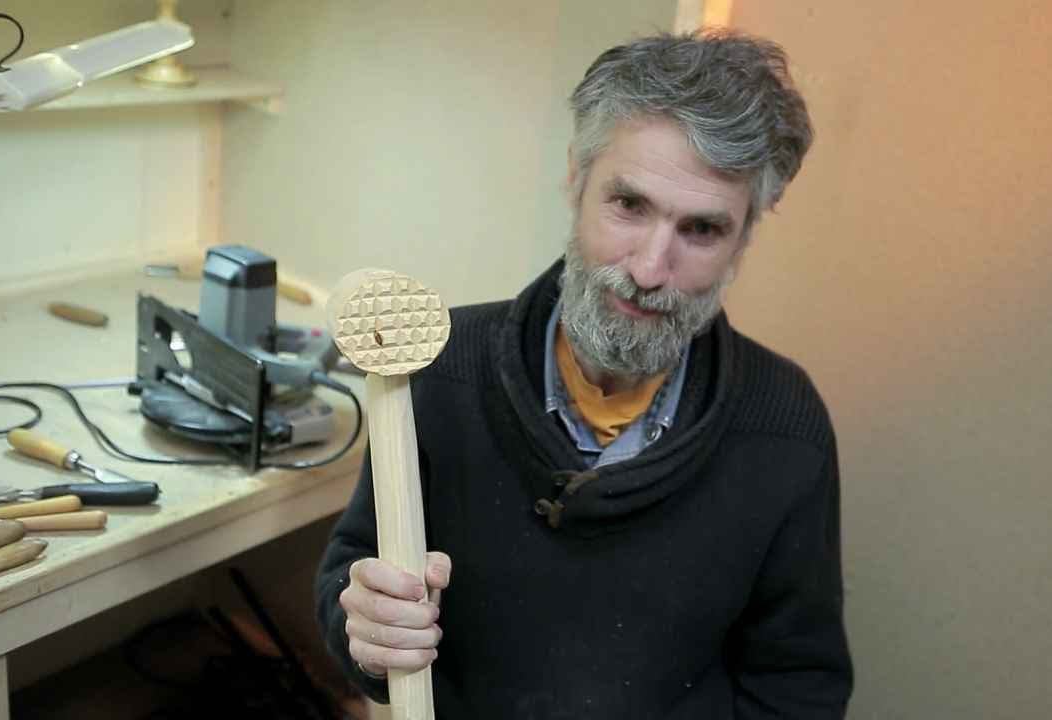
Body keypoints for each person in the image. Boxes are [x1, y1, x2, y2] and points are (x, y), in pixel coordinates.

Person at [315, 28, 853, 719]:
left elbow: (797, 689)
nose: (650, 270)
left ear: (744, 236)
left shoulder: (784, 427)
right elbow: (357, 562)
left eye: (701, 230)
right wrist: (365, 627)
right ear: (576, 177)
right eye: (629, 205)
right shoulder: (438, 370)